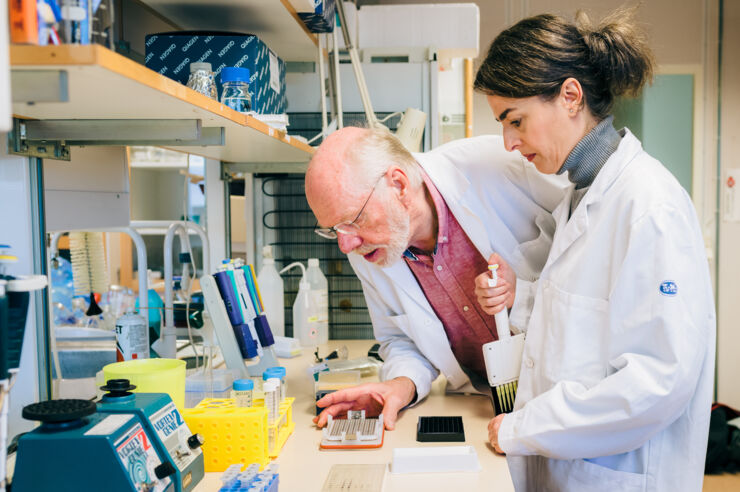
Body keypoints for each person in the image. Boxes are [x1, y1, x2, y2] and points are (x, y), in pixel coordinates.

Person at [473, 8, 715, 491]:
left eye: (515, 119)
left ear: (569, 96)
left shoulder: (650, 205)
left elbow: (656, 382)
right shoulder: (580, 196)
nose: (508, 142)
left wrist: (525, 428)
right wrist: (518, 297)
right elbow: (583, 322)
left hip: (618, 476)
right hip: (569, 469)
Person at [305, 127, 566, 429]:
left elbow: (595, 238)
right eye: (333, 230)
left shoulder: (495, 164)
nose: (345, 245)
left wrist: (520, 294)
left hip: (563, 395)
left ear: (399, 185)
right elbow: (399, 338)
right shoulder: (367, 247)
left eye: (352, 221)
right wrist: (401, 384)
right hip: (483, 408)